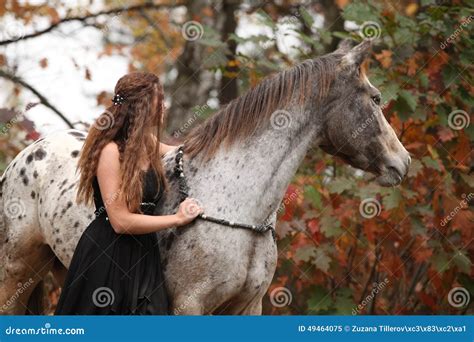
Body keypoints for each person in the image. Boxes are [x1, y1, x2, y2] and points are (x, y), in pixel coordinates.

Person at [55, 72, 203, 315]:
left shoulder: (149, 144)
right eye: (159, 98)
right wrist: (177, 219)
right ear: (142, 104)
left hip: (144, 255)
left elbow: (185, 152)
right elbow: (120, 221)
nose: (163, 105)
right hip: (107, 256)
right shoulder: (110, 151)